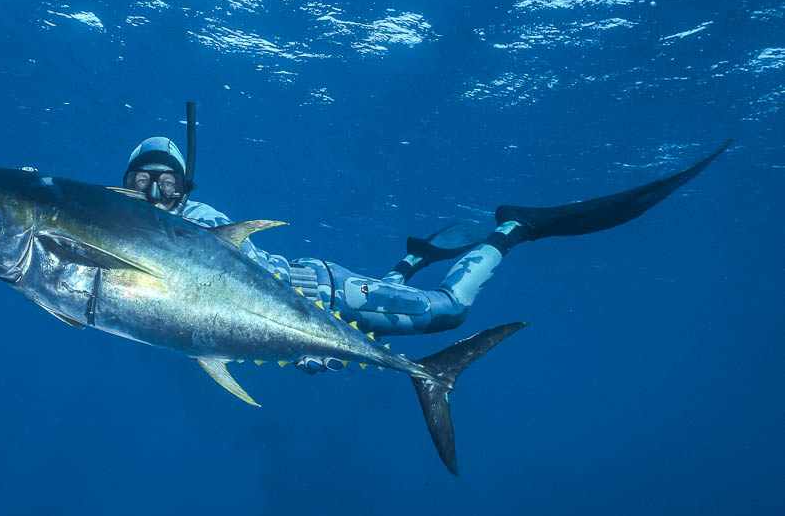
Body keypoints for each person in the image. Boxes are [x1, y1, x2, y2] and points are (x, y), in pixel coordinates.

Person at [123, 135, 728, 373]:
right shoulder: (125, 228)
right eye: (142, 181)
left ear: (186, 187)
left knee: (448, 313)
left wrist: (302, 343)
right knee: (414, 311)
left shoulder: (199, 223)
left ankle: (513, 229)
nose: (155, 192)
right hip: (306, 313)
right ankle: (412, 258)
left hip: (329, 295)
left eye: (166, 182)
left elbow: (241, 284)